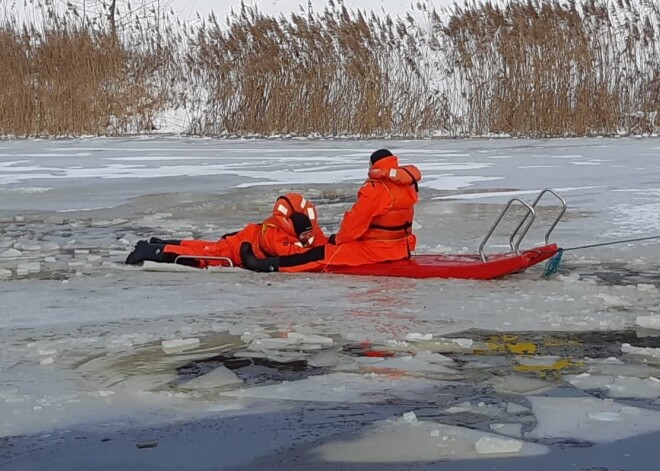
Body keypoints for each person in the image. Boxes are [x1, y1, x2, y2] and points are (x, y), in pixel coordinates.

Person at [240, 149, 422, 272]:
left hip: (377, 251)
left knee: (318, 255)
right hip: (401, 248)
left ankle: (266, 266)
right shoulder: (407, 185)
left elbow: (355, 223)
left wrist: (338, 240)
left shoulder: (376, 189)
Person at [125, 193, 328, 268]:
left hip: (246, 236)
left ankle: (163, 242)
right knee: (206, 256)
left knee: (209, 246)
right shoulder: (277, 236)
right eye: (304, 235)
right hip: (239, 247)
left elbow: (321, 245)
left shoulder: (309, 234)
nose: (308, 237)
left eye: (309, 233)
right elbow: (290, 256)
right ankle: (152, 251)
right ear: (292, 230)